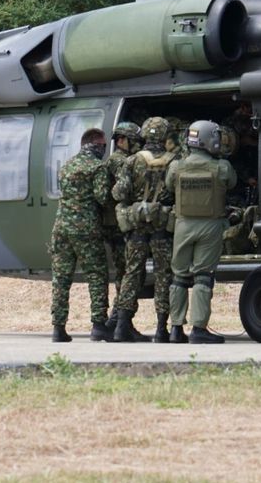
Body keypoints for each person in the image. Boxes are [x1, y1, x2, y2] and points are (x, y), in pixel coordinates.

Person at [166, 120, 236, 344]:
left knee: (178, 277)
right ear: (209, 140)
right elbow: (232, 183)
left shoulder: (176, 166)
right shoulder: (222, 167)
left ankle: (176, 329)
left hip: (183, 226)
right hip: (209, 226)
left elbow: (169, 186)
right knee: (203, 277)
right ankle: (198, 329)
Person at [112, 116, 178, 343]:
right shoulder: (174, 161)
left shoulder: (132, 161)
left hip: (137, 227)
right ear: (165, 136)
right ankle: (162, 329)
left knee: (132, 272)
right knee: (164, 274)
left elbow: (119, 194)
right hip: (162, 226)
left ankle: (122, 326)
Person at [50, 128, 112, 343]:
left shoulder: (67, 166)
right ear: (97, 145)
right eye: (103, 146)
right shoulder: (97, 167)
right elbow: (103, 198)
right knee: (96, 275)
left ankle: (58, 328)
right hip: (85, 228)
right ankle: (98, 325)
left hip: (61, 228)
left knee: (61, 278)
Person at [100, 121, 142, 336]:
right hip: (117, 227)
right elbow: (124, 191)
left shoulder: (119, 160)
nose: (137, 145)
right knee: (128, 275)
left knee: (125, 274)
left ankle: (114, 323)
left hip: (116, 225)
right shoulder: (119, 162)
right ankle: (120, 324)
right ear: (122, 140)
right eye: (134, 140)